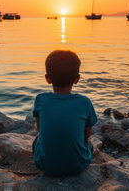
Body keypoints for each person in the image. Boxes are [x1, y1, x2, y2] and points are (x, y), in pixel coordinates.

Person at [32, 49, 97, 177]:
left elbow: (40, 129)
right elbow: (87, 134)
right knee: (89, 144)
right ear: (76, 79)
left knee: (36, 141)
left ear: (48, 79)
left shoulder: (40, 99)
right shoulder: (84, 102)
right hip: (78, 166)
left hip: (46, 166)